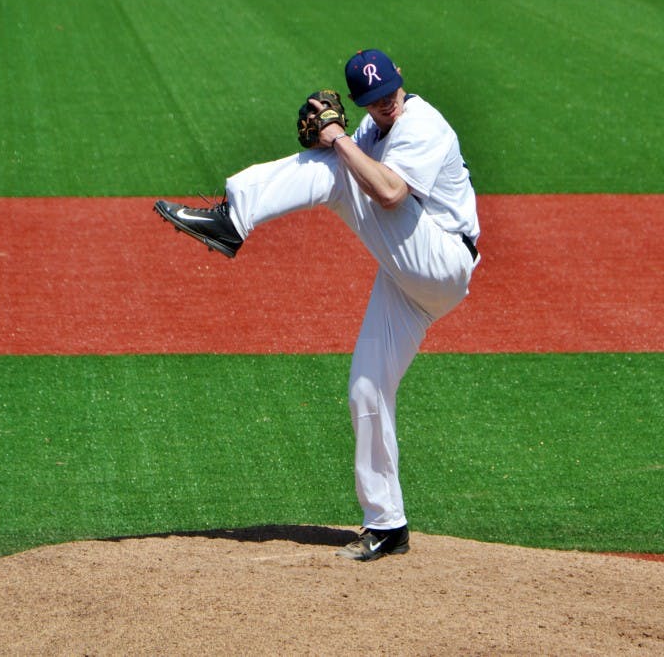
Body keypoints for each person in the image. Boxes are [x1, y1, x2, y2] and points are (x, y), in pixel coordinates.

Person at [154, 49, 480, 561]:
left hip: (442, 261)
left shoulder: (424, 124)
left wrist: (337, 139)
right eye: (373, 99)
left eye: (390, 92)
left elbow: (390, 193)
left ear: (401, 79)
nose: (386, 104)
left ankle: (234, 218)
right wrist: (322, 138)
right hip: (407, 276)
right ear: (359, 100)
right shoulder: (373, 129)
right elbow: (337, 159)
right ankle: (387, 524)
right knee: (367, 388)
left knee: (341, 169)